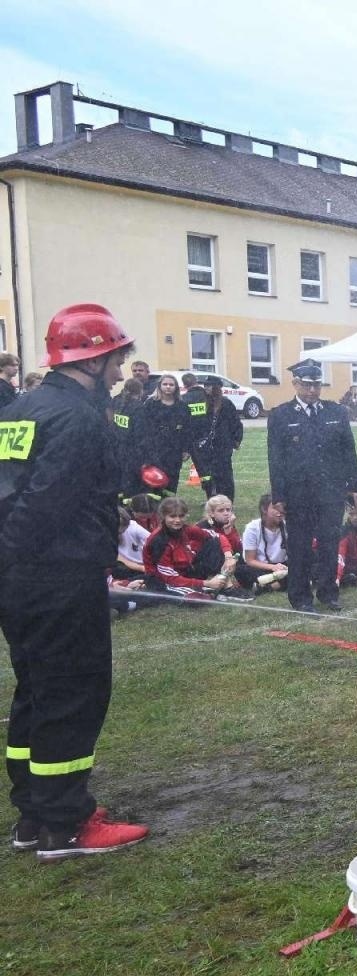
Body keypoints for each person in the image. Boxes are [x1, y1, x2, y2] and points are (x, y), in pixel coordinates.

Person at [0, 303, 147, 860]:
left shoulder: (20, 408)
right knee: (72, 694)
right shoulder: (79, 418)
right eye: (115, 360)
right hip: (58, 577)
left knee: (36, 691)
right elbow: (47, 504)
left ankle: (34, 814)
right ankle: (65, 825)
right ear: (92, 358)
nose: (119, 371)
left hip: (19, 579)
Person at [267, 358, 357, 613]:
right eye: (307, 385)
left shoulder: (336, 412)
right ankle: (300, 597)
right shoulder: (280, 415)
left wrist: (355, 487)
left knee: (329, 543)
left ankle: (328, 592)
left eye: (317, 385)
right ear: (295, 384)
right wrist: (279, 495)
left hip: (330, 492)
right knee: (300, 547)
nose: (312, 390)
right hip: (298, 494)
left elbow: (349, 452)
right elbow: (275, 460)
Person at [142, 496, 239, 601]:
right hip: (163, 580)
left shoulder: (185, 529)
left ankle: (224, 587)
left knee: (215, 542)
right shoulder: (159, 541)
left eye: (181, 516)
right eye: (172, 516)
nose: (177, 520)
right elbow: (169, 577)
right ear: (163, 516)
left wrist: (229, 558)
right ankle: (210, 589)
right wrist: (207, 583)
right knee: (196, 598)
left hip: (185, 571)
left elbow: (217, 536)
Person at [129, 372, 191, 495]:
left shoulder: (182, 406)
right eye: (165, 384)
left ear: (176, 387)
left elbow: (187, 429)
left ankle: (168, 502)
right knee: (154, 478)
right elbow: (143, 428)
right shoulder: (151, 404)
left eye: (171, 385)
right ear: (160, 386)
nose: (168, 387)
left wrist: (186, 449)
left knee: (171, 478)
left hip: (174, 447)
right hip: (154, 446)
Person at [192, 375, 244, 503]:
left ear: (216, 387)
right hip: (205, 447)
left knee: (224, 474)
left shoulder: (226, 403)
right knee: (207, 475)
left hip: (222, 446)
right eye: (205, 385)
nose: (206, 388)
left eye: (209, 385)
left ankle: (227, 500)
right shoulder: (203, 404)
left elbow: (236, 423)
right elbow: (196, 423)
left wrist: (236, 440)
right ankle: (211, 498)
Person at [239, 493, 289, 593]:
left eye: (282, 508)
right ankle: (283, 583)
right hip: (261, 567)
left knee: (305, 566)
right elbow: (250, 560)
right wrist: (273, 567)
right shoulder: (252, 528)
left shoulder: (288, 526)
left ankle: (269, 586)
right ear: (264, 509)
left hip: (283, 567)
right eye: (275, 508)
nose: (280, 512)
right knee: (241, 570)